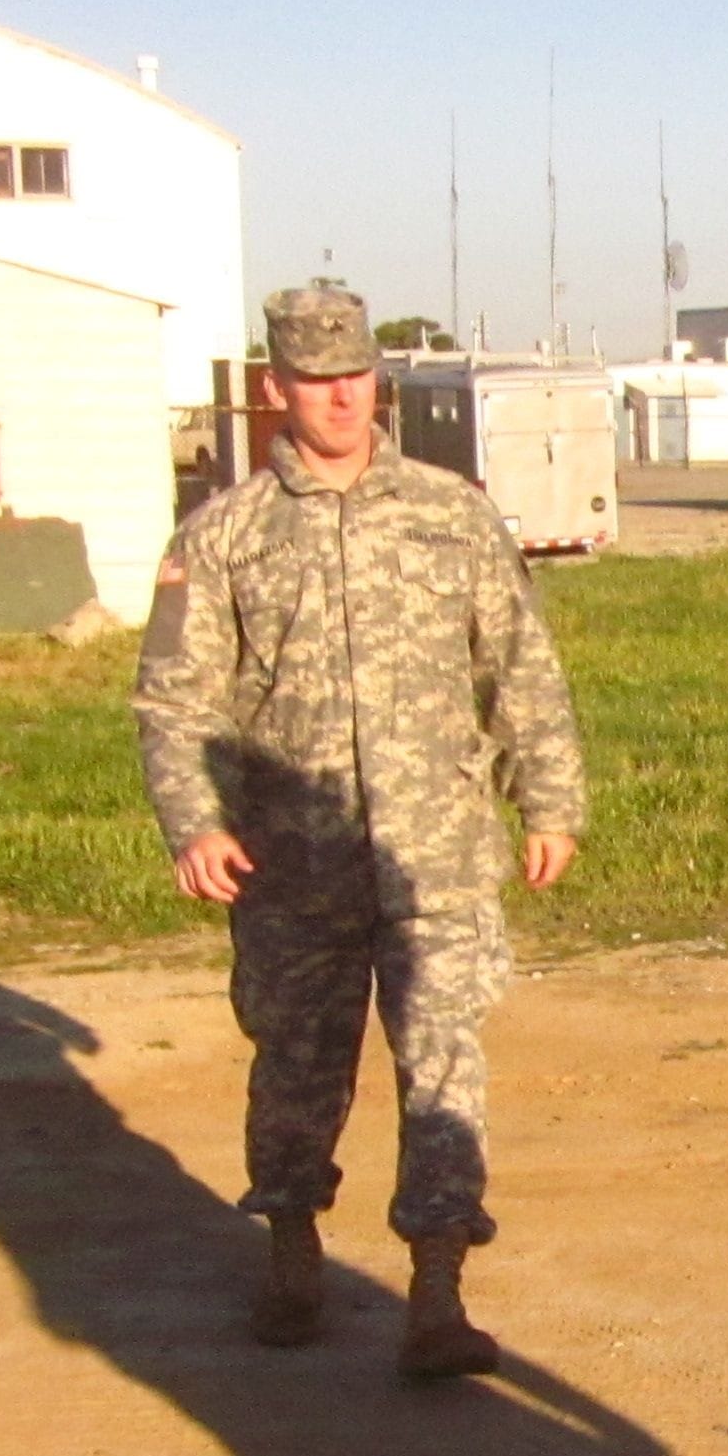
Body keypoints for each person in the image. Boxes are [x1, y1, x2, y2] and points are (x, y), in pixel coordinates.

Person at [133, 283, 587, 1380]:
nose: (338, 400)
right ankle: (292, 1252)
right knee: (297, 1062)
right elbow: (175, 698)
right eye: (313, 381)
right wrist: (194, 821)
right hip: (293, 859)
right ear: (275, 389)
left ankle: (437, 1293)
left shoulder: (452, 511)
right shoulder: (226, 534)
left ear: (375, 381)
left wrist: (553, 798)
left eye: (354, 378)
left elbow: (517, 663)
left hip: (435, 849)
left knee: (442, 1062)